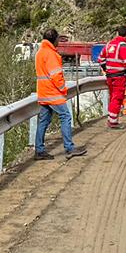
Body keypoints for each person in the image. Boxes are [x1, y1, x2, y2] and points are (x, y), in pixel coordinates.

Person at [34, 28, 86, 159]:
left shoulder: (40, 52)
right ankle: (69, 148)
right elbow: (56, 76)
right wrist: (63, 89)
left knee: (44, 121)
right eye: (58, 39)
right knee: (66, 116)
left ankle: (39, 150)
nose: (59, 41)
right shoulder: (51, 54)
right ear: (54, 39)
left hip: (43, 92)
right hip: (53, 93)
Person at [102, 24, 126, 129]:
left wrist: (106, 69)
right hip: (119, 76)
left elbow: (101, 59)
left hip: (110, 76)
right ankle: (113, 122)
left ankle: (111, 119)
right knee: (117, 98)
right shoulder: (123, 45)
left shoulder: (109, 44)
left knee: (113, 98)